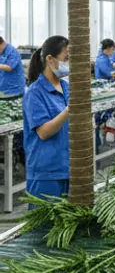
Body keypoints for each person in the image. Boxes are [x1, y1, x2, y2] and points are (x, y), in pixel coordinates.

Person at [22, 36, 71, 203]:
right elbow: (43, 132)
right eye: (66, 57)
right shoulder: (35, 93)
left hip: (68, 167)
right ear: (50, 59)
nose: (69, 62)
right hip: (46, 172)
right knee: (45, 227)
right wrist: (69, 110)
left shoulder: (66, 87)